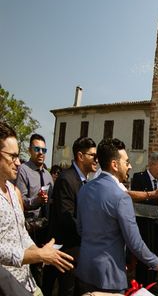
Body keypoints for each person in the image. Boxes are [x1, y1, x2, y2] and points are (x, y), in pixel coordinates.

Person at [75, 138, 158, 294]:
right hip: (109, 276)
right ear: (114, 165)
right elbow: (134, 241)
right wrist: (156, 262)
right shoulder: (121, 197)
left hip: (84, 269)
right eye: (127, 162)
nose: (130, 166)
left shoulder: (85, 189)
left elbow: (80, 228)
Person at [0, 121, 74, 295]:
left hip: (27, 283)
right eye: (12, 156)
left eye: (18, 156)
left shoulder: (13, 191)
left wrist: (40, 252)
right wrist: (38, 255)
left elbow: (20, 232)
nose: (18, 163)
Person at [42, 136, 97, 296]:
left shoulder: (84, 181)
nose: (96, 160)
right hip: (66, 252)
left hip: (78, 250)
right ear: (80, 156)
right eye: (93, 155)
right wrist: (91, 233)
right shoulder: (67, 179)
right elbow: (67, 219)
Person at [16, 134, 53, 286]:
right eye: (37, 149)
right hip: (29, 229)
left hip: (45, 228)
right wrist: (36, 201)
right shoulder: (23, 170)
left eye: (44, 150)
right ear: (29, 150)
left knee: (42, 268)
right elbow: (20, 201)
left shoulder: (48, 175)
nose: (41, 153)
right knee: (31, 269)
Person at [130, 152, 158, 287]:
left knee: (157, 255)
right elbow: (137, 202)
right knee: (144, 258)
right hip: (145, 226)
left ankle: (152, 284)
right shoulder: (139, 178)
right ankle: (141, 287)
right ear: (151, 165)